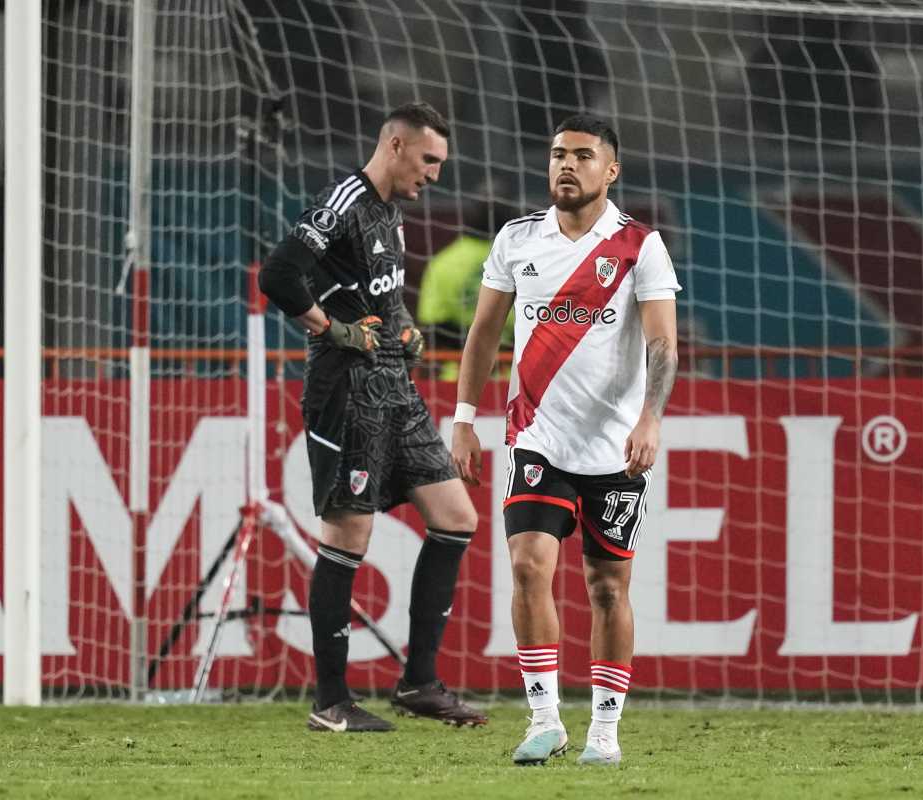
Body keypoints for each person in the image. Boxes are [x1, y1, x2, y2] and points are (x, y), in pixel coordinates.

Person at [450, 114, 680, 766]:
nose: (566, 165)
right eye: (557, 154)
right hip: (537, 437)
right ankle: (544, 719)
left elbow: (662, 343)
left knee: (607, 589)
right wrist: (464, 418)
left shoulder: (640, 246)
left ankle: (604, 731)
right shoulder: (517, 239)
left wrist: (651, 417)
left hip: (614, 448)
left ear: (611, 170)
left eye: (582, 155)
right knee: (528, 565)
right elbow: (483, 335)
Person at [258, 102, 487, 732]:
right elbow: (278, 274)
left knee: (456, 517)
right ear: (394, 145)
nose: (435, 174)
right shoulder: (343, 200)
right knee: (346, 538)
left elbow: (386, 296)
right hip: (348, 392)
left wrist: (406, 331)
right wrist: (330, 328)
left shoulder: (389, 213)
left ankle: (419, 683)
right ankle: (331, 702)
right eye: (429, 159)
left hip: (396, 388)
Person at [416, 192, 517, 380]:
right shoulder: (521, 260)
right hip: (514, 377)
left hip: (459, 377)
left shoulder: (444, 262)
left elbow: (433, 328)